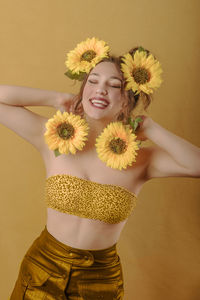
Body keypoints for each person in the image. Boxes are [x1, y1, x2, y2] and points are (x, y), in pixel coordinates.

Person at [1, 37, 199, 300]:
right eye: (93, 81)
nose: (100, 90)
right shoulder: (52, 136)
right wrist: (55, 98)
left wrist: (151, 128)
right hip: (42, 270)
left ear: (128, 97)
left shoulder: (142, 159)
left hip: (100, 281)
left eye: (113, 85)